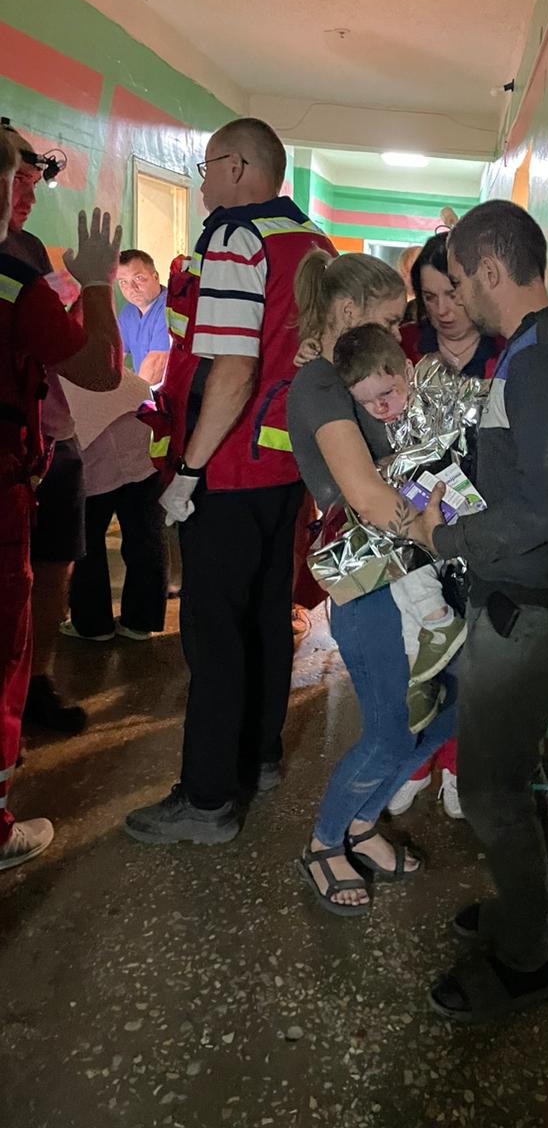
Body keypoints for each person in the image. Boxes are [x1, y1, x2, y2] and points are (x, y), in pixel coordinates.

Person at [406, 200, 548, 1024]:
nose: (456, 295)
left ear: (491, 270)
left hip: (529, 611)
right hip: (525, 600)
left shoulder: (542, 360)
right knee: (514, 775)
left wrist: (446, 535)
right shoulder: (532, 349)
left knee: (490, 790)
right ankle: (541, 913)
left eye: (459, 279)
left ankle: (523, 965)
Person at [124, 117, 336, 846]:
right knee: (267, 614)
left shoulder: (237, 238)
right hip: (286, 468)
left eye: (208, 165)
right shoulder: (311, 240)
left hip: (230, 466)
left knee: (213, 633)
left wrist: (188, 470)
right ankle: (259, 757)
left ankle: (208, 799)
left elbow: (234, 368)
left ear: (239, 166)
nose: (203, 179)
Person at [285, 250, 458, 916]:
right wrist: (446, 535)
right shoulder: (319, 384)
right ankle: (325, 842)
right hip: (369, 579)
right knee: (390, 732)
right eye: (389, 321)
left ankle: (361, 825)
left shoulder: (349, 373)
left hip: (408, 566)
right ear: (348, 310)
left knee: (451, 704)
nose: (397, 334)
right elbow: (364, 494)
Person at [1, 127, 123, 870]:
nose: (25, 186)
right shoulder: (14, 268)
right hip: (12, 467)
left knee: (50, 575)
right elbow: (98, 367)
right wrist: (99, 283)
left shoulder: (24, 258)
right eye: (13, 171)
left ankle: (35, 689)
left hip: (43, 447)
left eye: (32, 172)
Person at [390, 230, 503, 819]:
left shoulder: (506, 352)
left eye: (451, 294)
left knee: (471, 656)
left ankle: (456, 767)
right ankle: (415, 764)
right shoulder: (403, 346)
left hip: (480, 524)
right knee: (416, 655)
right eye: (429, 297)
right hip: (411, 521)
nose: (442, 310)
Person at [331, 323, 467, 731]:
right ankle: (419, 673)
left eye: (387, 394)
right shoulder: (384, 420)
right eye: (366, 402)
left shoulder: (433, 398)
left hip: (448, 521)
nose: (379, 407)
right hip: (420, 528)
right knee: (400, 588)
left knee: (404, 564)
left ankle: (439, 621)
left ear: (407, 370)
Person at [60, 368, 167, 642]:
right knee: (145, 534)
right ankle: (141, 621)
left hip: (90, 441)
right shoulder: (98, 352)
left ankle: (92, 625)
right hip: (139, 428)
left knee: (87, 539)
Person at [116, 249, 170, 386]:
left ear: (155, 277)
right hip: (144, 388)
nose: (131, 288)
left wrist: (133, 396)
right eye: (123, 282)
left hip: (171, 393)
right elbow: (114, 358)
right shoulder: (128, 312)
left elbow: (156, 365)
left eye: (138, 278)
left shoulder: (170, 307)